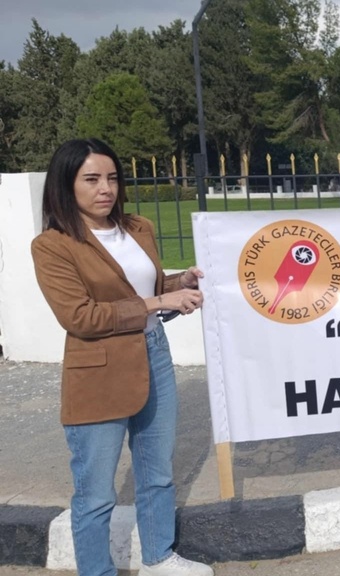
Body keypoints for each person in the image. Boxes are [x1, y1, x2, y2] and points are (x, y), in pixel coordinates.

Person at [31, 139, 214, 576]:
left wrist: (178, 283)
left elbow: (143, 288)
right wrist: (158, 303)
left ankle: (158, 557)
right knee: (96, 493)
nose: (105, 189)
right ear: (65, 185)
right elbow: (80, 317)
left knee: (157, 471)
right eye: (91, 179)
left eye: (112, 178)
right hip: (98, 372)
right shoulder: (53, 245)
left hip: (155, 355)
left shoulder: (137, 227)